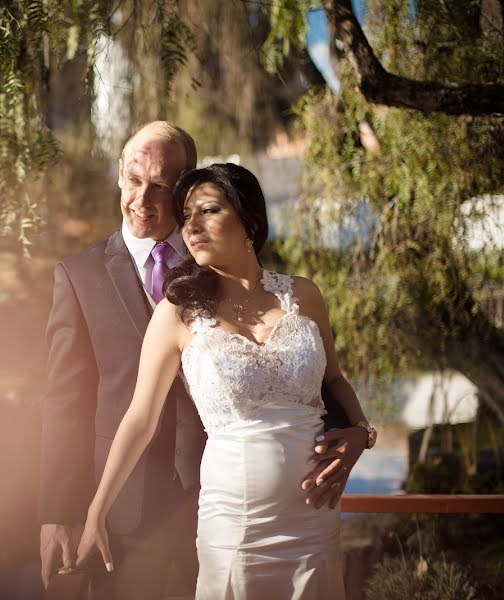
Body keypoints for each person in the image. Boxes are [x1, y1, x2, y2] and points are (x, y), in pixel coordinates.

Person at [74, 163, 375, 599]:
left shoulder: (304, 295)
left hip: (313, 521)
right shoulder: (176, 312)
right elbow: (139, 419)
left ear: (249, 220)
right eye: (186, 216)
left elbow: (336, 380)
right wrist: (96, 510)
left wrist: (361, 434)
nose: (191, 227)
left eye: (208, 211)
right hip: (235, 523)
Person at [38, 121, 206, 599]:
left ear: (185, 189)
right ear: (118, 174)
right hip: (120, 513)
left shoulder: (218, 270)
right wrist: (58, 511)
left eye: (160, 186)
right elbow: (65, 401)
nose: (142, 198)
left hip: (217, 501)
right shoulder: (78, 276)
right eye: (134, 180)